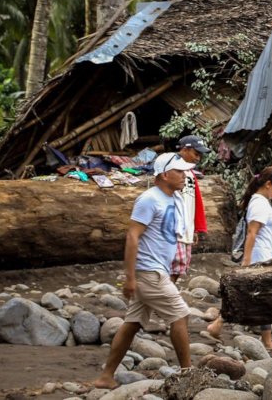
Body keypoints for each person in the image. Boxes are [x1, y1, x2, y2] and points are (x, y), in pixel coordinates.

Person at [92, 155, 196, 390]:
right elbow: (132, 236)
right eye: (179, 172)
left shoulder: (173, 198)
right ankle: (188, 374)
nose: (184, 175)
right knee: (180, 315)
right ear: (164, 175)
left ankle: (106, 376)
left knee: (132, 323)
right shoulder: (149, 199)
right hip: (149, 272)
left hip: (156, 270)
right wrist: (129, 278)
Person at [206, 166, 272, 352]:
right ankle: (266, 341)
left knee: (252, 296)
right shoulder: (259, 203)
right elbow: (252, 233)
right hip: (260, 258)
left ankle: (217, 325)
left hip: (264, 255)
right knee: (264, 299)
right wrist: (247, 261)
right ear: (268, 184)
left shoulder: (261, 202)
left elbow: (260, 230)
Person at [168, 135, 211, 282]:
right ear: (185, 150)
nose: (198, 158)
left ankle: (166, 296)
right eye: (196, 154)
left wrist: (194, 228)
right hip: (174, 228)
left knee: (180, 268)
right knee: (172, 266)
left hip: (186, 227)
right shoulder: (173, 169)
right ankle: (164, 297)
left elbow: (192, 201)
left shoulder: (190, 172)